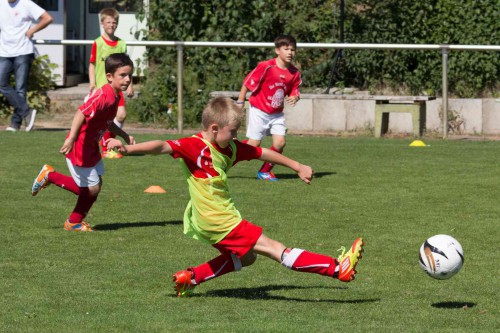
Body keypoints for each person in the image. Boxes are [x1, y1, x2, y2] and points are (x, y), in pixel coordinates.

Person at [107, 97, 364, 297]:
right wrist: (127, 148)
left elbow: (262, 152)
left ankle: (191, 278)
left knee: (247, 258)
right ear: (214, 128)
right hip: (218, 220)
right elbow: (162, 145)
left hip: (208, 220)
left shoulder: (230, 147)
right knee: (275, 249)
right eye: (233, 131)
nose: (236, 136)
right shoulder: (194, 146)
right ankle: (336, 268)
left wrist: (297, 166)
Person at [30, 53, 135, 232]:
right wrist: (71, 138)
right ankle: (73, 221)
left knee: (95, 185)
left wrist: (124, 135)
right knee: (91, 189)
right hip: (79, 145)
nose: (127, 79)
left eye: (129, 75)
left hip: (91, 145)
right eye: (122, 75)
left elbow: (107, 121)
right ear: (109, 76)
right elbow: (81, 113)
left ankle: (50, 176)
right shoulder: (102, 95)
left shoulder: (115, 95)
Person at [237, 34, 301, 181]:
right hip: (259, 110)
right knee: (254, 144)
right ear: (277, 50)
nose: (290, 52)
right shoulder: (266, 67)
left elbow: (294, 90)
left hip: (276, 114)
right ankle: (227, 153)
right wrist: (240, 102)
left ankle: (264, 171)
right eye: (286, 49)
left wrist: (294, 96)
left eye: (293, 49)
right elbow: (247, 83)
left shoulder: (294, 73)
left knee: (280, 143)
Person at [0, 0, 53, 132]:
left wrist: (32, 30)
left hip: (23, 51)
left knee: (20, 88)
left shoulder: (26, 3)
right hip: (4, 51)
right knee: (1, 83)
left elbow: (47, 18)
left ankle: (15, 124)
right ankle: (26, 112)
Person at [88, 7, 134, 158]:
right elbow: (92, 64)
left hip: (118, 89)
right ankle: (106, 146)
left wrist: (130, 85)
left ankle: (108, 144)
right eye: (108, 22)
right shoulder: (98, 43)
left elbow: (126, 66)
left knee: (120, 115)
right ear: (102, 23)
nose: (111, 25)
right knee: (102, 118)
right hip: (103, 88)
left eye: (114, 22)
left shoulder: (121, 44)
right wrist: (92, 84)